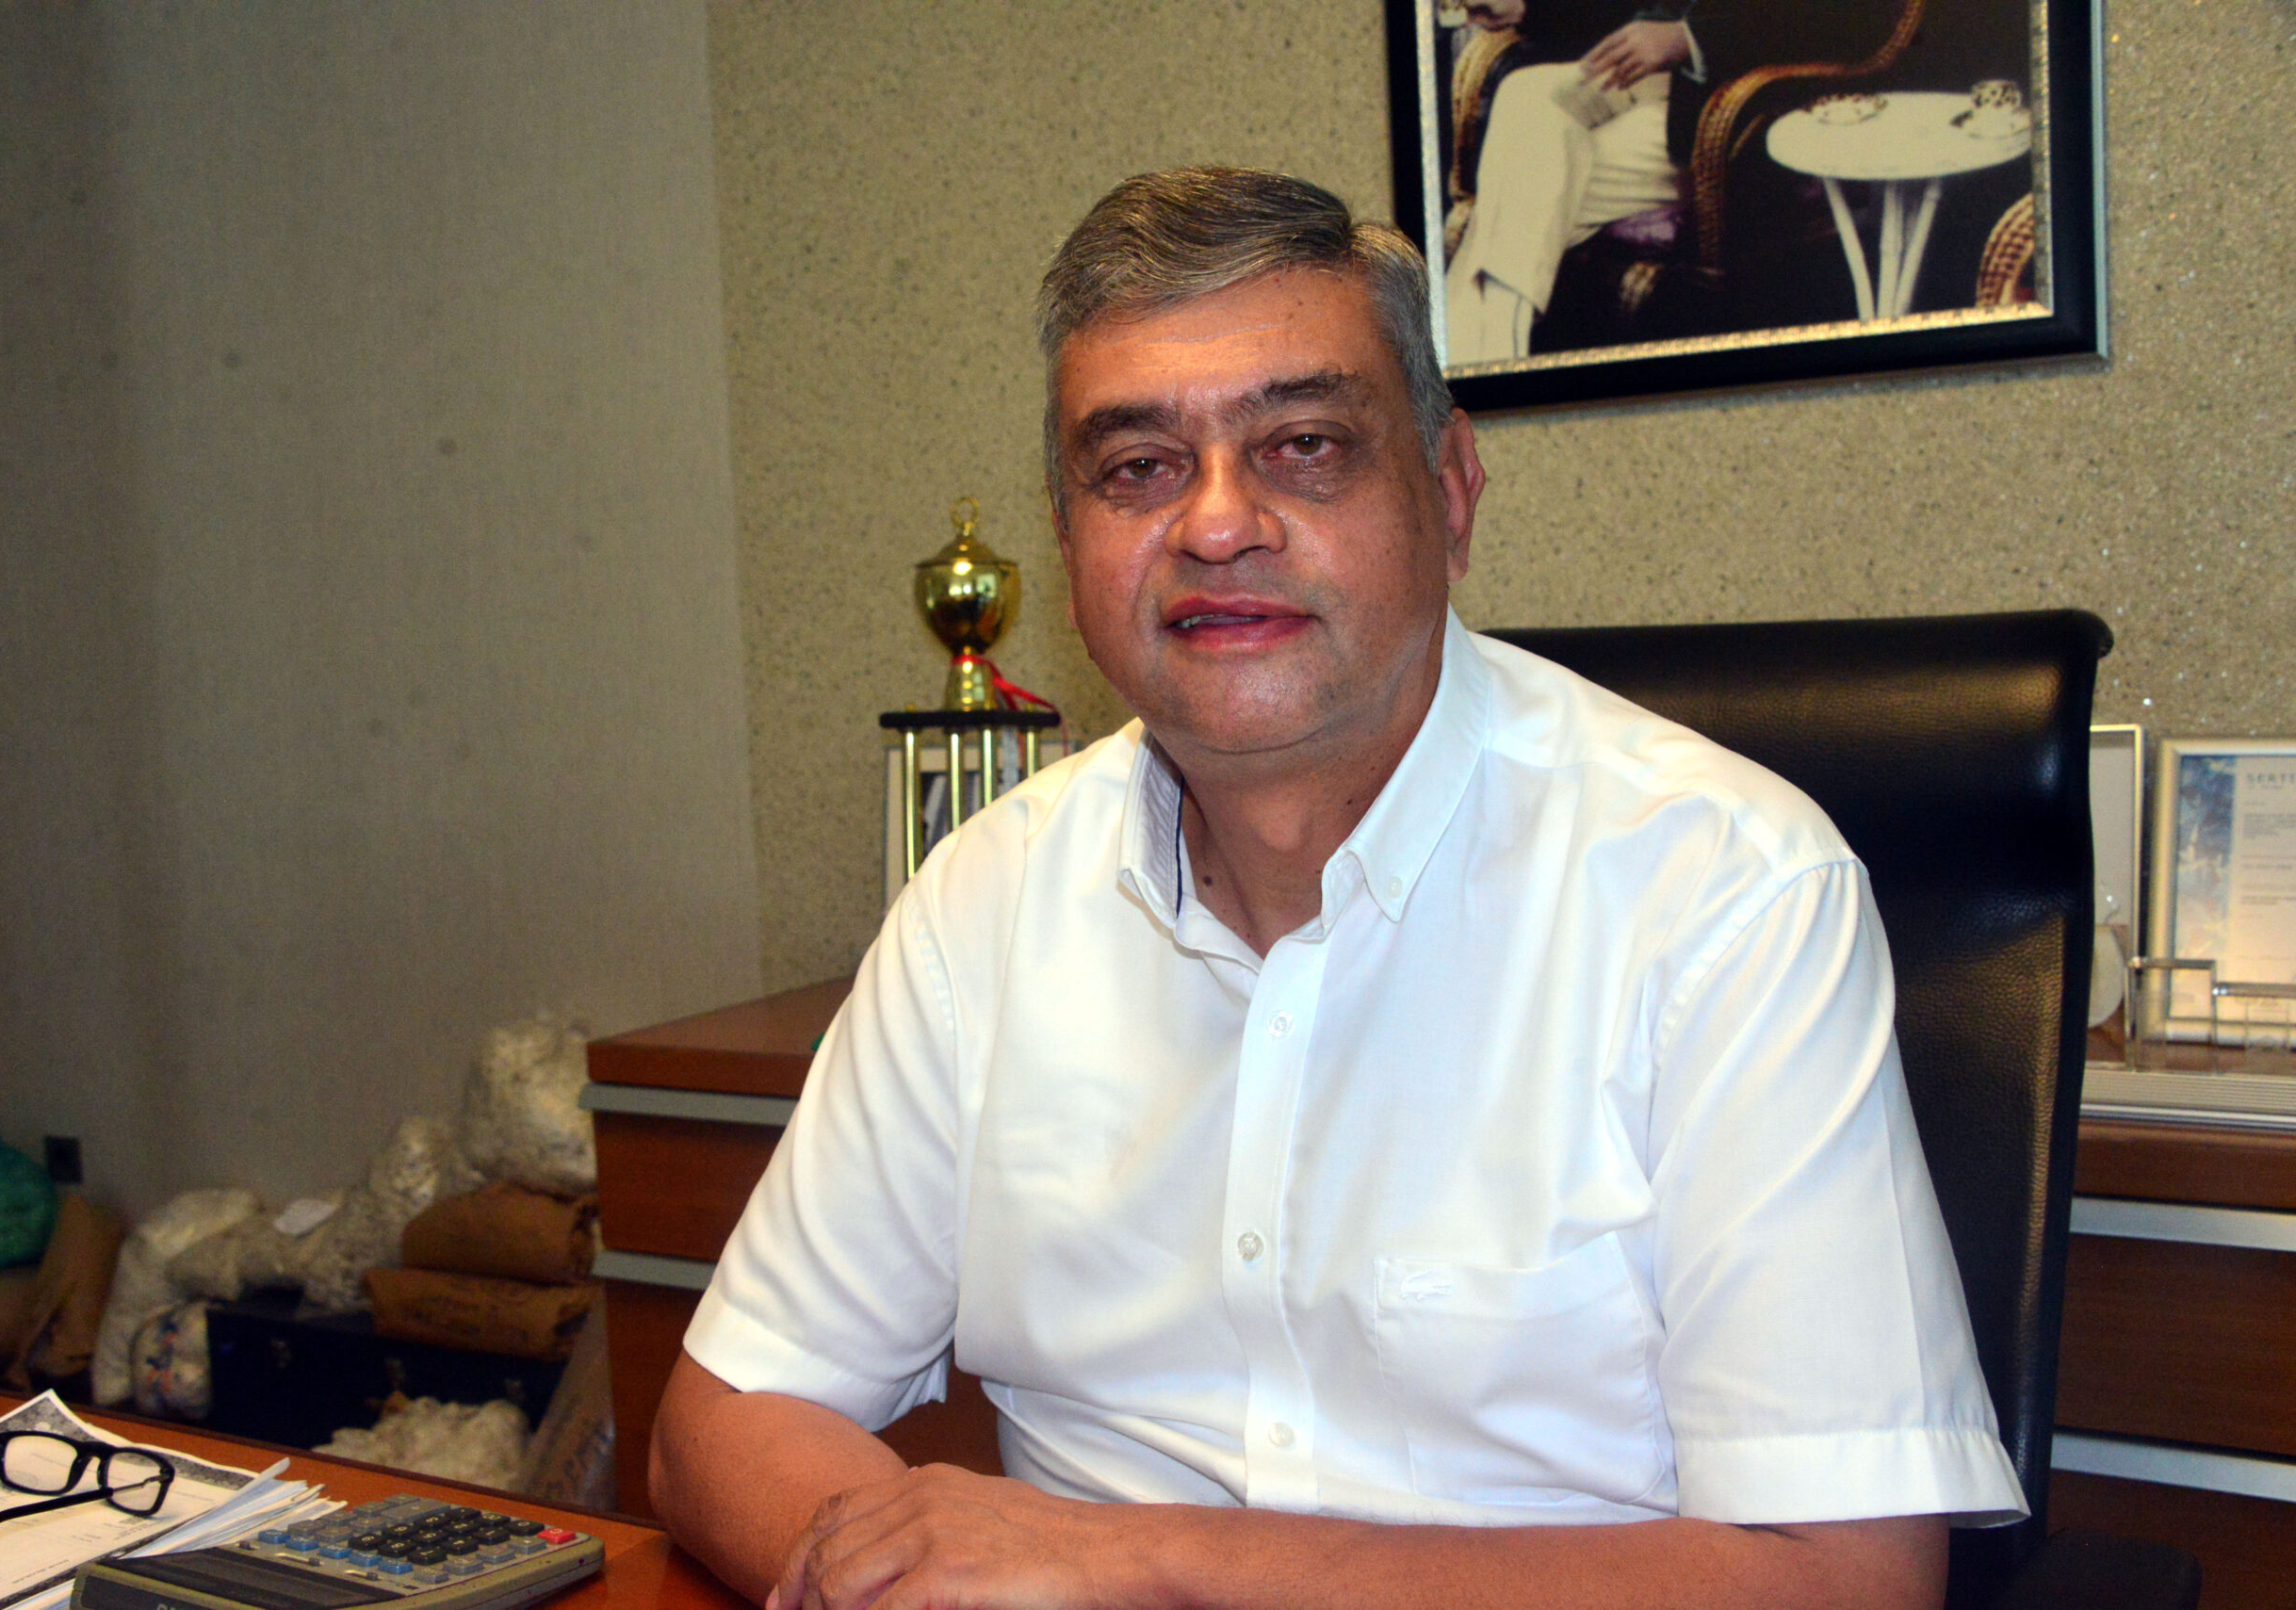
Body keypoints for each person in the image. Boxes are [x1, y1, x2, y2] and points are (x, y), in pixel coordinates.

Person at [649, 167, 2026, 1610]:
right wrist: (905, 1575)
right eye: (1138, 468)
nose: (1217, 524)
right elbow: (727, 1417)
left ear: (1451, 492)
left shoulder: (1725, 891)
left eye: (1304, 445)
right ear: (1068, 544)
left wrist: (1138, 1560)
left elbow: (1849, 1579)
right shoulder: (987, 899)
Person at [1445, 1, 1906, 362]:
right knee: (1525, 99)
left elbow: (1853, 15)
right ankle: (1486, 362)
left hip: (1746, 112)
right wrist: (1530, 6)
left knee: (1522, 183)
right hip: (1666, 83)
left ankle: (1482, 362)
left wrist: (1689, 38)